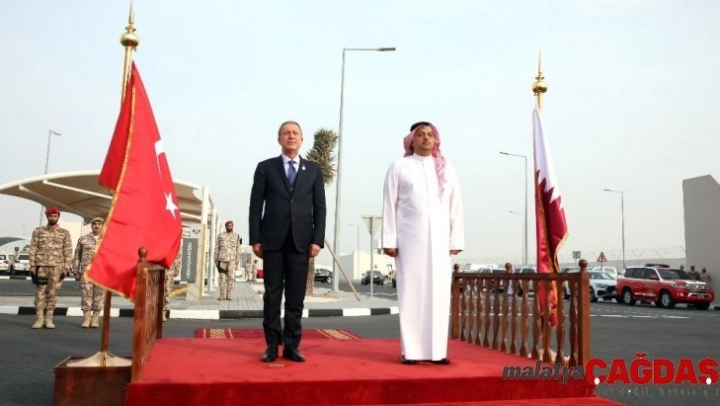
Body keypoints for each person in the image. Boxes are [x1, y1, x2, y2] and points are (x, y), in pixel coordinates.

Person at [382, 121, 464, 365]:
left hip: (440, 242)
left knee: (439, 294)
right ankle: (411, 351)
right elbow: (389, 204)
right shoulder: (399, 167)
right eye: (421, 135)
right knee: (411, 293)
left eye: (430, 134)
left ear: (436, 140)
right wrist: (389, 239)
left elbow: (455, 205)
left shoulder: (446, 168)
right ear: (412, 140)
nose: (426, 138)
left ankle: (437, 352)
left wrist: (456, 238)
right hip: (410, 241)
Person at [249, 120, 326, 363]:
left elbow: (320, 208)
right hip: (272, 242)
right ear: (279, 139)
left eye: (295, 133)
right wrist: (255, 238)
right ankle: (272, 345)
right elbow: (255, 205)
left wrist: (317, 240)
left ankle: (292, 346)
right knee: (272, 295)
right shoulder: (265, 168)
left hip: (301, 243)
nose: (291, 136)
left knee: (295, 298)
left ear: (302, 139)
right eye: (286, 133)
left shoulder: (313, 170)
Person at [28, 207, 73, 329]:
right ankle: (39, 319)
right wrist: (32, 265)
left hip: (56, 268)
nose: (52, 218)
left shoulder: (64, 233)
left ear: (58, 217)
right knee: (40, 293)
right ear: (47, 217)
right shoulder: (38, 231)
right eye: (50, 216)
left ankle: (48, 319)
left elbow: (68, 251)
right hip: (41, 267)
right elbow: (33, 248)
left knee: (52, 294)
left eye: (54, 216)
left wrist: (66, 267)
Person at [72, 217, 106, 328]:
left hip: (101, 273)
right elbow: (77, 255)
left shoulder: (108, 240)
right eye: (95, 224)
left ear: (102, 226)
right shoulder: (83, 239)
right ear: (91, 226)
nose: (97, 226)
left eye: (99, 224)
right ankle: (86, 319)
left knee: (99, 296)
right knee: (86, 295)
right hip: (86, 272)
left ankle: (95, 319)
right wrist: (76, 270)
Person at [214, 220, 242, 300]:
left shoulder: (237, 236)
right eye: (228, 226)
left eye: (231, 226)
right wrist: (215, 258)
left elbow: (238, 248)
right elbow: (217, 247)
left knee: (231, 277)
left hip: (232, 260)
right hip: (222, 260)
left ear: (232, 226)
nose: (229, 227)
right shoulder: (220, 236)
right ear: (225, 226)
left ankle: (229, 294)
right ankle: (222, 294)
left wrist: (237, 258)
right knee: (222, 277)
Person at [163, 248, 182, 322]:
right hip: (166, 269)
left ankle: (163, 311)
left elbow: (178, 256)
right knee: (165, 290)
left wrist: (176, 271)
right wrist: (176, 271)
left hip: (167, 269)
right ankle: (162, 311)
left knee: (166, 290)